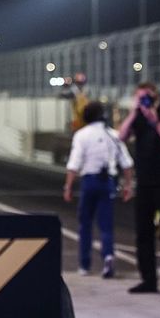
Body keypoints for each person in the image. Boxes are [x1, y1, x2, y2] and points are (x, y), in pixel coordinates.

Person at [118, 83, 160, 297]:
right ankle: (149, 279)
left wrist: (155, 121)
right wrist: (134, 112)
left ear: (155, 97)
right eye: (140, 98)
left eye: (146, 97)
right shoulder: (137, 118)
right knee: (143, 234)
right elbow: (121, 136)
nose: (144, 101)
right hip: (144, 182)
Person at [63, 101, 134, 278]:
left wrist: (68, 186)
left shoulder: (82, 135)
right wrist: (128, 185)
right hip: (108, 181)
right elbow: (126, 163)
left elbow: (74, 163)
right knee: (106, 224)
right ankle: (108, 256)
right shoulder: (114, 135)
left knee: (85, 223)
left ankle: (84, 265)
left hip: (89, 180)